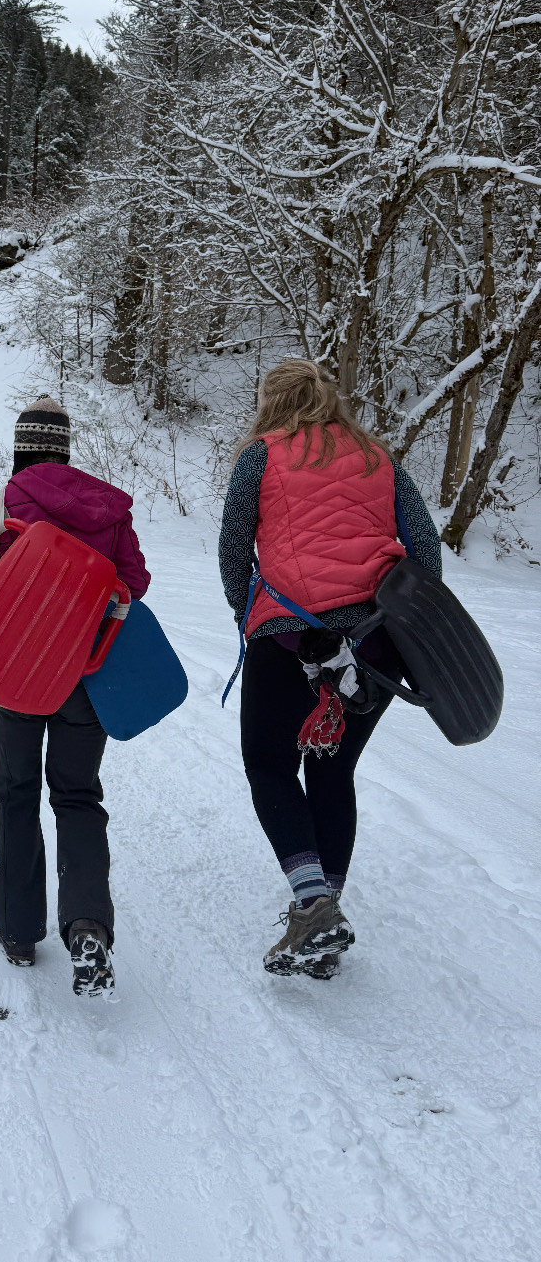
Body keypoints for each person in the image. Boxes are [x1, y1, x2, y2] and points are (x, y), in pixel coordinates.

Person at [218, 359, 442, 978]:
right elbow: (424, 548)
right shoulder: (377, 457)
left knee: (268, 763)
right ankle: (325, 916)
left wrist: (251, 616)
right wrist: (413, 631)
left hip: (291, 637)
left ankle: (314, 904)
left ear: (272, 403)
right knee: (332, 769)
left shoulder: (261, 457)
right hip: (377, 640)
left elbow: (234, 546)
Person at [0, 395, 150, 997]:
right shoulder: (108, 508)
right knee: (79, 795)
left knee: (16, 790)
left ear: (20, 447)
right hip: (84, 674)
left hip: (14, 673)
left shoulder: (3, 503)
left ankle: (16, 928)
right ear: (64, 448)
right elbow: (133, 582)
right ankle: (87, 924)